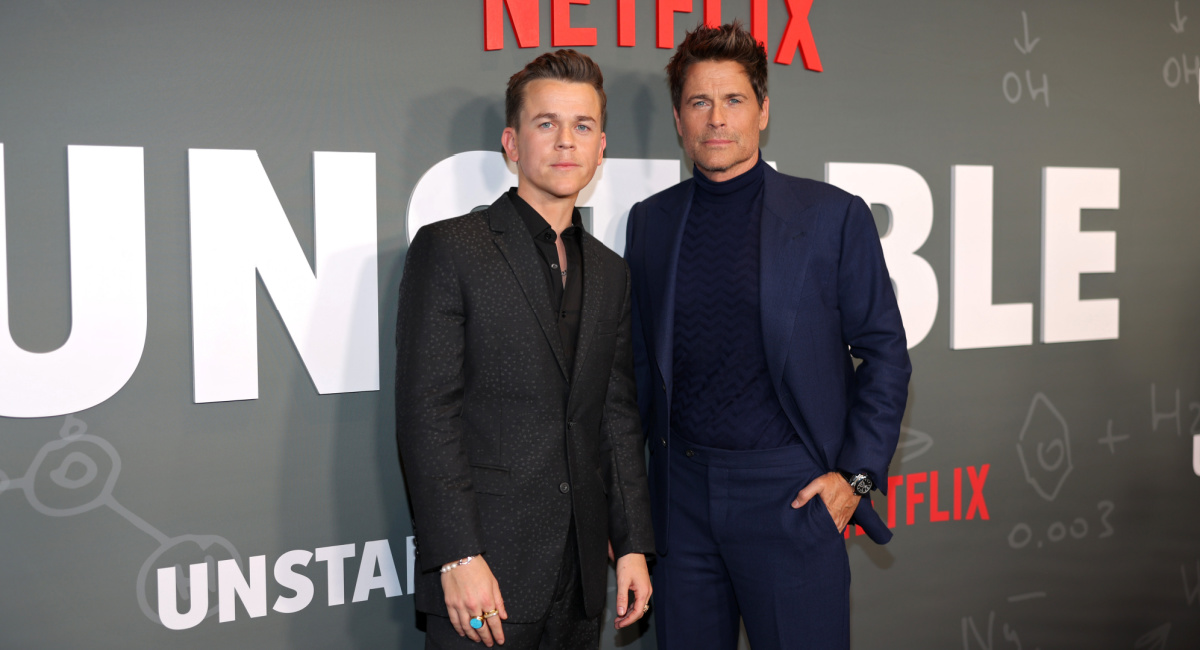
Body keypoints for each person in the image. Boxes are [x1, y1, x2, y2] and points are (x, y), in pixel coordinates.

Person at [624, 22, 911, 649]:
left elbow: (886, 352)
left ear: (763, 111)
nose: (717, 119)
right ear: (679, 118)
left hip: (791, 498)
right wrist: (633, 519)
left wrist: (854, 479)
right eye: (700, 101)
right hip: (683, 505)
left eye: (734, 100)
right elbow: (640, 374)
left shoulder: (831, 216)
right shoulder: (651, 223)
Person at [395, 50, 654, 649]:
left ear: (601, 147)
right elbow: (426, 415)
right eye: (547, 123)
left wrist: (634, 542)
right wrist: (456, 557)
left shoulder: (613, 273)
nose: (566, 141)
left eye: (582, 126)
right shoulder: (451, 248)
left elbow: (615, 417)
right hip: (484, 578)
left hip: (582, 576)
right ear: (512, 143)